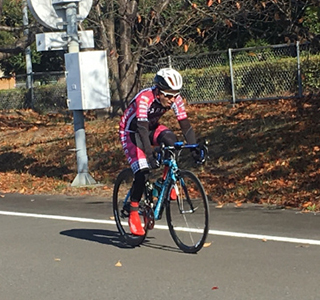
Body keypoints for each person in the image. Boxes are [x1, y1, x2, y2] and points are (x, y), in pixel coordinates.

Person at [119, 68, 202, 236]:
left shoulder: (175, 98)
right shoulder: (144, 98)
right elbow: (141, 129)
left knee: (172, 141)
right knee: (142, 172)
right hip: (132, 132)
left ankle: (165, 182)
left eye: (175, 95)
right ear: (158, 92)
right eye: (169, 96)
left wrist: (194, 148)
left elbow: (184, 124)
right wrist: (149, 156)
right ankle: (134, 211)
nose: (172, 100)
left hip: (151, 127)